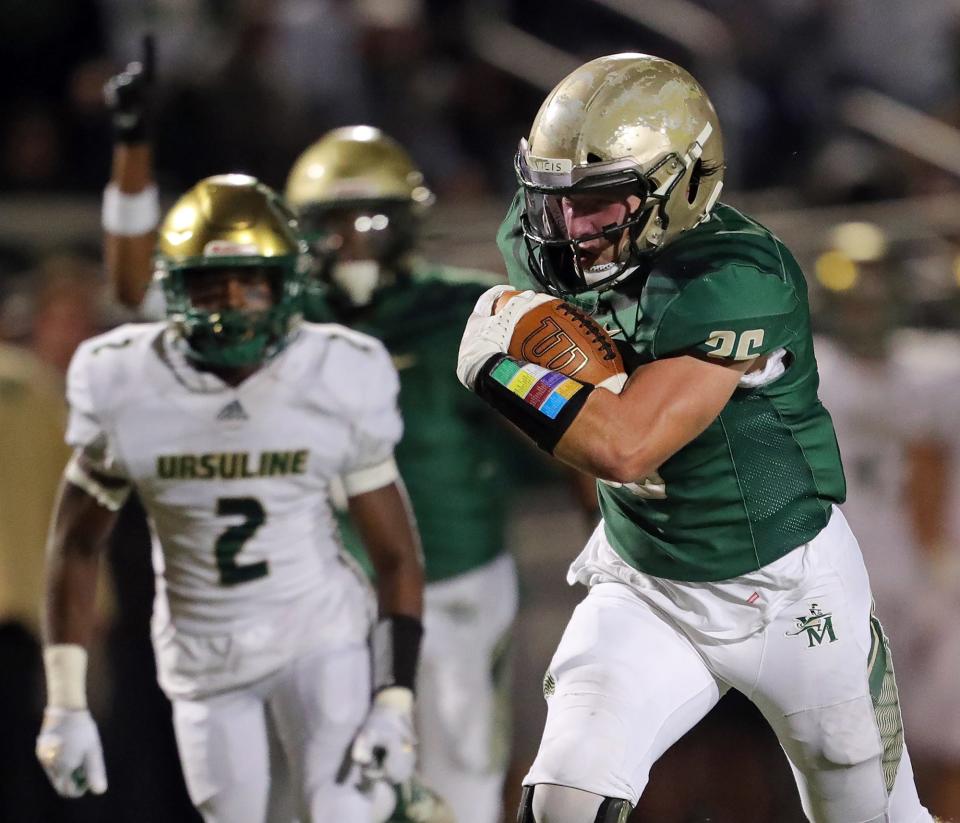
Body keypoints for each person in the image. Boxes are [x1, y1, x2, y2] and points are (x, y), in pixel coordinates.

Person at [456, 52, 936, 823]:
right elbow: (591, 431)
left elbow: (627, 443)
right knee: (565, 798)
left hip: (788, 589)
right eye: (557, 201)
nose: (568, 230)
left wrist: (501, 374)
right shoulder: (549, 236)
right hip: (648, 583)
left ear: (680, 186)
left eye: (600, 204)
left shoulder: (736, 277)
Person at [34, 172, 426, 823]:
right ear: (175, 288)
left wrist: (396, 698)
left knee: (339, 811)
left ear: (286, 283)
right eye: (211, 284)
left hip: (317, 635)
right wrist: (65, 702)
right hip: (203, 652)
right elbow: (76, 543)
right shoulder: (127, 382)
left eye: (252, 280)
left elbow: (396, 556)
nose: (233, 302)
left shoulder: (334, 374)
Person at [284, 125, 521, 823]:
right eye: (335, 223)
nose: (355, 240)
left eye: (375, 220)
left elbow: (562, 440)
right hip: (337, 592)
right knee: (338, 789)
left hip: (458, 574)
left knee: (464, 778)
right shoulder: (287, 319)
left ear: (408, 223)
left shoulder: (466, 309)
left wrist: (602, 530)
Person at [813, 222, 960, 821]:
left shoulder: (939, 369)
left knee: (943, 745)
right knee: (849, 758)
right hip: (835, 587)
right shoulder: (802, 369)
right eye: (857, 286)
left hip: (927, 583)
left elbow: (933, 460)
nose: (869, 301)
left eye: (879, 283)